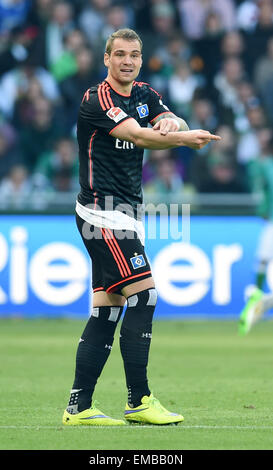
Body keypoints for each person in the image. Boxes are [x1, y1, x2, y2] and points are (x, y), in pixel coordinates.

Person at [62, 28, 220, 426]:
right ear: (106, 59)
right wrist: (182, 140)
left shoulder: (144, 93)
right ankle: (140, 399)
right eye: (119, 54)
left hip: (124, 214)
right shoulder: (95, 100)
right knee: (145, 296)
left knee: (106, 311)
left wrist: (172, 122)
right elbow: (136, 135)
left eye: (134, 54)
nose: (127, 61)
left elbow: (168, 115)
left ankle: (78, 408)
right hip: (103, 213)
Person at [239, 133, 273, 336]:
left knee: (261, 260)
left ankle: (257, 296)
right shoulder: (263, 164)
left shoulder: (265, 164)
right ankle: (258, 297)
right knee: (261, 259)